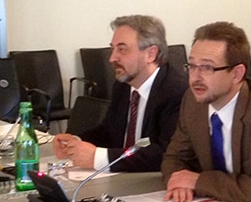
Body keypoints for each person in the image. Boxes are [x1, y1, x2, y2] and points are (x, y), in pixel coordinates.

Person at [161, 21, 251, 202]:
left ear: (237, 74)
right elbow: (174, 158)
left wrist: (199, 181)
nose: (195, 78)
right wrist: (178, 183)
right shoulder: (193, 101)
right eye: (192, 66)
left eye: (207, 68)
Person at [52, 15, 188, 172]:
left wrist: (97, 158)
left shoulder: (176, 92)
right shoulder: (123, 86)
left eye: (122, 49)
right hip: (125, 178)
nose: (112, 58)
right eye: (113, 49)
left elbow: (165, 154)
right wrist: (75, 142)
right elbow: (109, 132)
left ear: (151, 54)